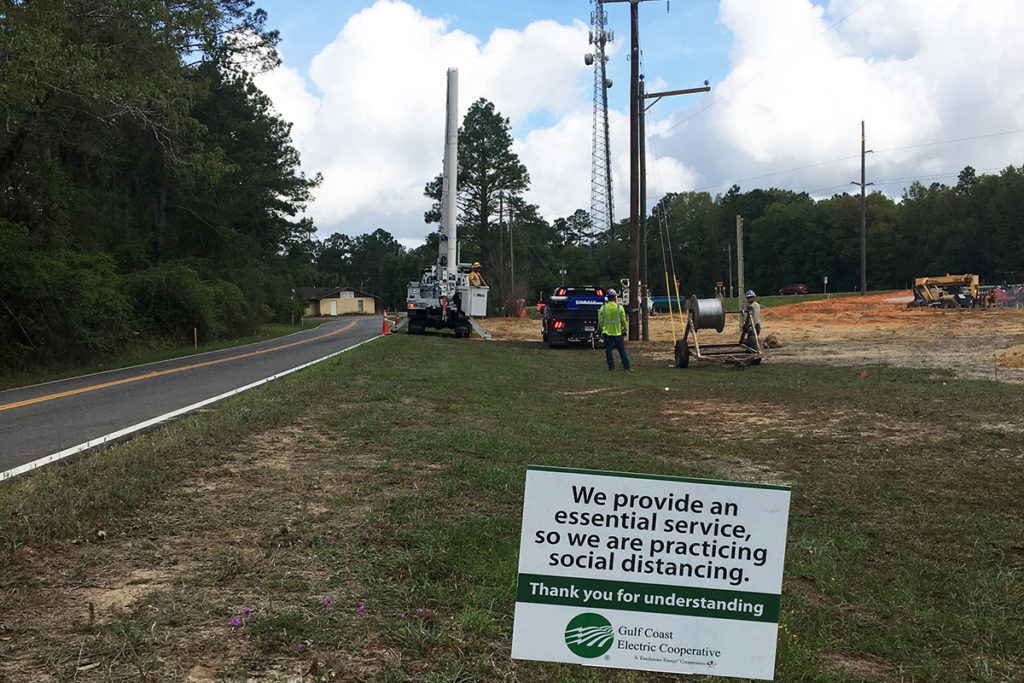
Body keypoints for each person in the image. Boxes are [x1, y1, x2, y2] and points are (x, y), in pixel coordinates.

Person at [598, 289, 631, 371]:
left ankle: (611, 367)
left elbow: (601, 321)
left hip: (607, 333)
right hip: (617, 332)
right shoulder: (619, 308)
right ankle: (626, 367)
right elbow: (623, 320)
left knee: (608, 351)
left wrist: (603, 329)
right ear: (615, 297)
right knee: (621, 350)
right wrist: (625, 329)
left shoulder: (603, 308)